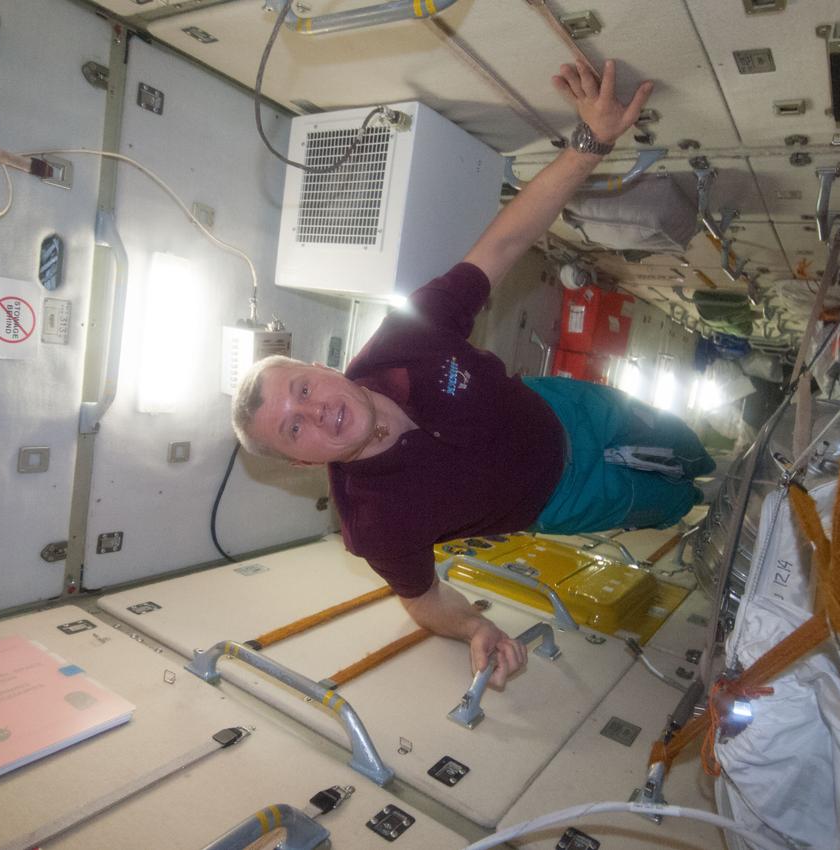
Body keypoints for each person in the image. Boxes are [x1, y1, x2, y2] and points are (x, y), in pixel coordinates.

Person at [232, 60, 714, 690]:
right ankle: (718, 504)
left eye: (302, 390)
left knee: (688, 445)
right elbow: (423, 598)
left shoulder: (402, 340)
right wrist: (473, 628)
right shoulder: (372, 521)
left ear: (322, 368)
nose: (314, 411)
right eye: (293, 430)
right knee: (678, 504)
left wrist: (590, 143)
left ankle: (712, 467)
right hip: (563, 499)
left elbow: (504, 245)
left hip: (573, 410)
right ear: (302, 463)